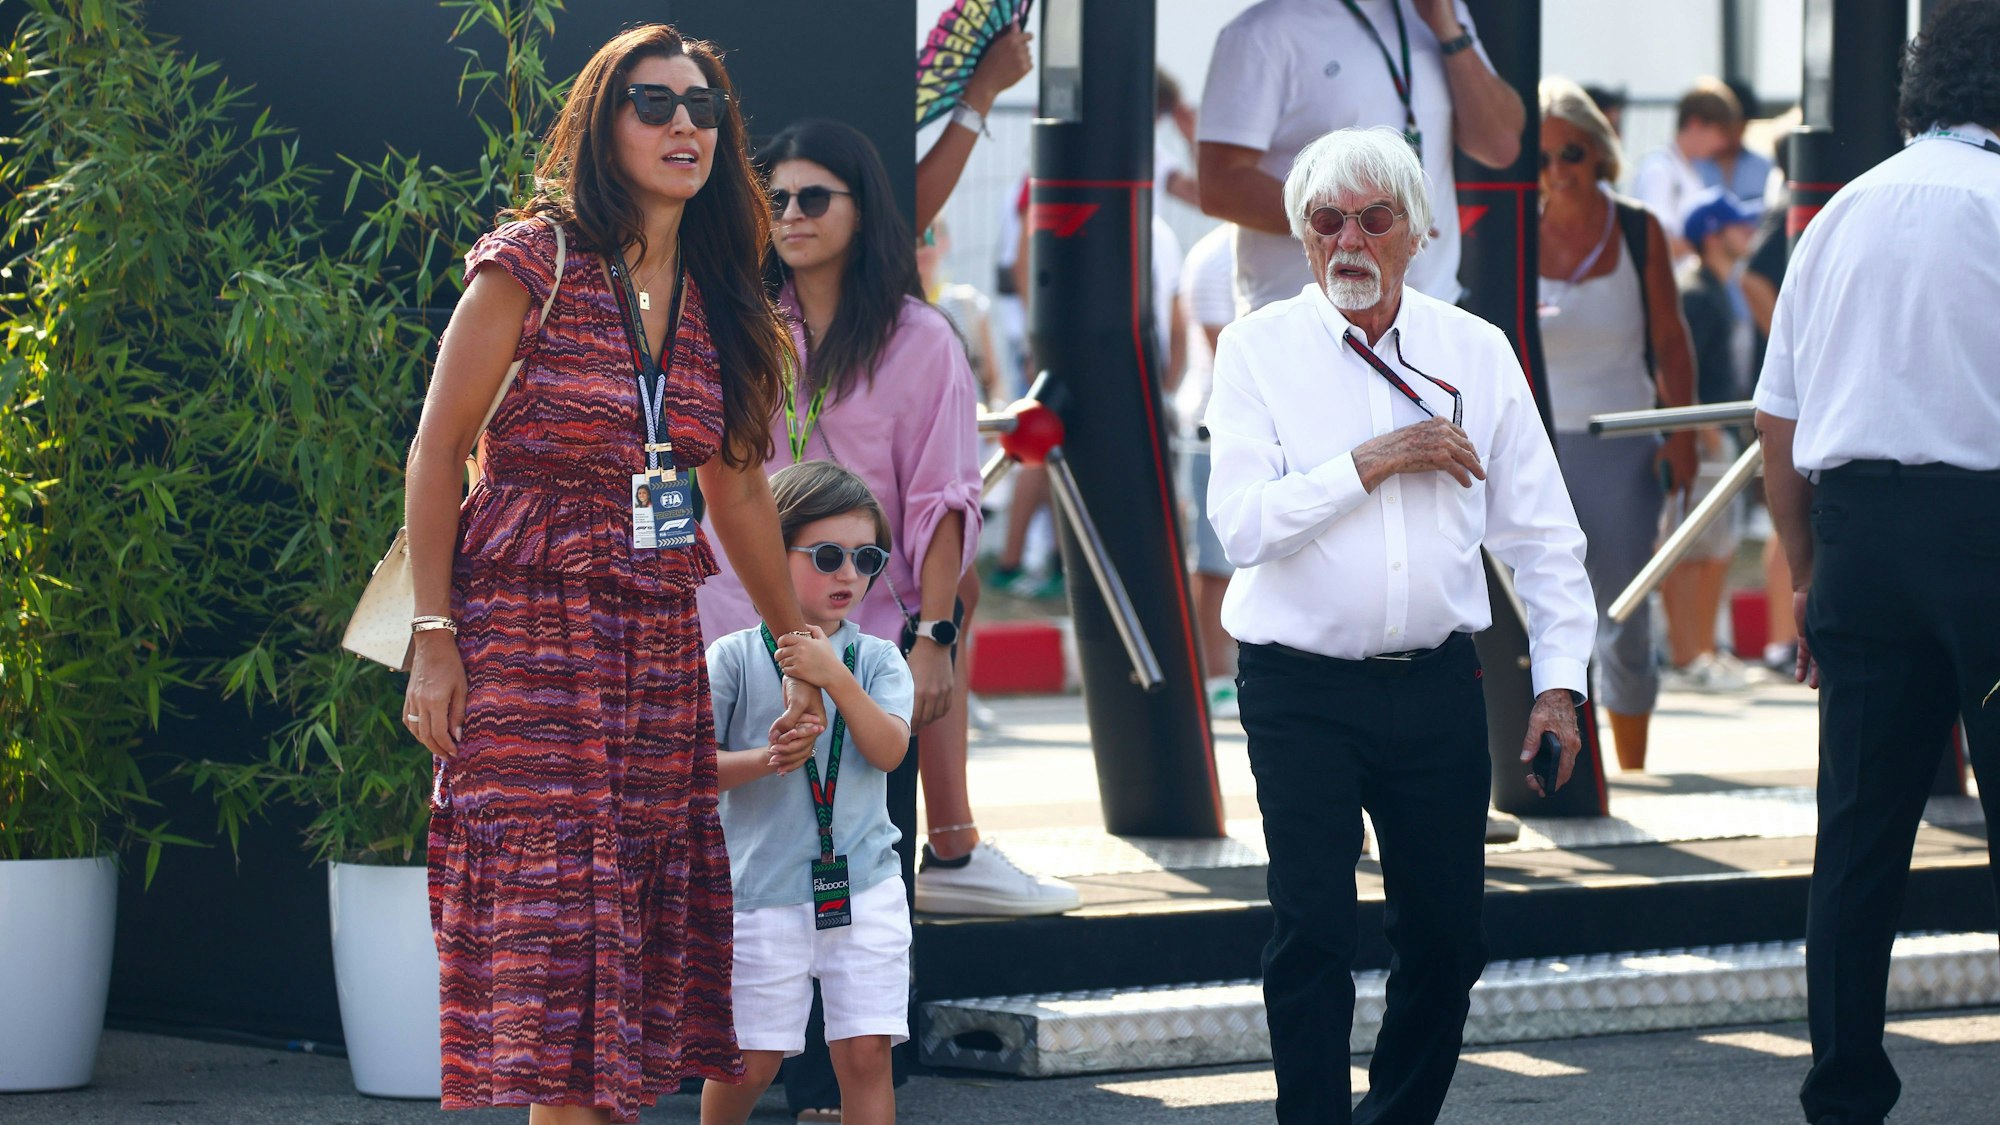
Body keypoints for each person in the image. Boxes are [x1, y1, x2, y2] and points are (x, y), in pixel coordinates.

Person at [402, 25, 822, 1124]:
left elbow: (738, 491)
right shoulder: (531, 263)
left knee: (623, 942)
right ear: (603, 123)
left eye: (704, 106)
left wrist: (796, 649)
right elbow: (437, 452)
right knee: (558, 931)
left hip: (649, 641)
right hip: (526, 629)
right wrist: (433, 639)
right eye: (654, 102)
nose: (685, 124)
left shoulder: (725, 293)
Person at [1206, 127, 1595, 1123]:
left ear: (1418, 232)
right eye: (1325, 220)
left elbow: (1545, 538)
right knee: (1312, 931)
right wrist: (1374, 461)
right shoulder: (1255, 349)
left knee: (1447, 940)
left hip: (1435, 684)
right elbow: (1240, 525)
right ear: (1301, 235)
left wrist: (1559, 686)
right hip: (1298, 686)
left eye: (1373, 219)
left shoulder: (1475, 350)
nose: (1349, 240)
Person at [1753, 4, 2000, 1121]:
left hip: (1857, 537)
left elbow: (1776, 418)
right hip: (1985, 536)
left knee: (1855, 839)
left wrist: (1804, 570)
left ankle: (1844, 1090)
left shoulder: (1840, 213)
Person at [702, 462, 916, 1125]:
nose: (848, 573)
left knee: (866, 1053)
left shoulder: (877, 659)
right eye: (827, 556)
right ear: (772, 549)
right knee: (751, 1059)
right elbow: (689, 768)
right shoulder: (733, 657)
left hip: (866, 884)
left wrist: (834, 677)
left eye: (867, 558)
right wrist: (766, 760)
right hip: (761, 890)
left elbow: (890, 750)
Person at [1534, 77, 1697, 773]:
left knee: (1623, 611)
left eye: (1570, 153)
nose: (1556, 170)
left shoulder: (1637, 227)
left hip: (1622, 442)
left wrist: (1683, 435)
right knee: (1536, 613)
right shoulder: (1514, 230)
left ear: (1599, 151)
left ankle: (1630, 768)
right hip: (1534, 446)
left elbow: (1671, 340)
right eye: (1541, 158)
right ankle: (1552, 767)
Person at [1197, 0, 1525, 314]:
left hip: (1428, 311)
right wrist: (1365, 223)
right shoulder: (1262, 31)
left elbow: (1500, 146)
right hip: (1303, 321)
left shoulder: (1442, 13)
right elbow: (1220, 186)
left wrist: (1449, 32)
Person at [1661, 188, 1762, 693]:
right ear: (1712, 234)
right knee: (1688, 548)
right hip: (1702, 435)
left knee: (1715, 547)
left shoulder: (1720, 287)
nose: (1749, 232)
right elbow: (1678, 369)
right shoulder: (1696, 293)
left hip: (1719, 430)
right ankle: (1686, 657)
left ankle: (1703, 650)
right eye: (1738, 225)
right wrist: (1702, 429)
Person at [1172, 222, 1242, 719]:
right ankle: (1214, 678)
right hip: (1214, 429)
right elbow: (1227, 357)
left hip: (1265, 426)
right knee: (1215, 562)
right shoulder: (1215, 255)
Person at [1631, 79, 1742, 261]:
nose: (1722, 144)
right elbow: (1655, 242)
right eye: (1719, 133)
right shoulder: (1658, 170)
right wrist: (1708, 243)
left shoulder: (1689, 170)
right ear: (1695, 124)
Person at [1694, 77, 1777, 206]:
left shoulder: (1764, 166)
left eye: (1743, 126)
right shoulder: (1692, 166)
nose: (1736, 133)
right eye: (1728, 126)